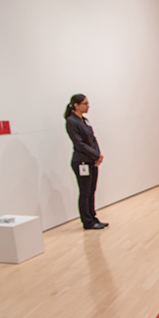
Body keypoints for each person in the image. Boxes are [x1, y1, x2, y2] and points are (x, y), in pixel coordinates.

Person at [64, 94, 108, 230]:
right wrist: (95, 155)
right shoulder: (71, 122)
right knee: (85, 191)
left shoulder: (84, 120)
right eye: (85, 103)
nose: (88, 106)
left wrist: (98, 155)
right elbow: (79, 144)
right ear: (76, 105)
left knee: (91, 191)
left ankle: (93, 217)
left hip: (91, 161)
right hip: (82, 162)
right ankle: (87, 221)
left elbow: (93, 139)